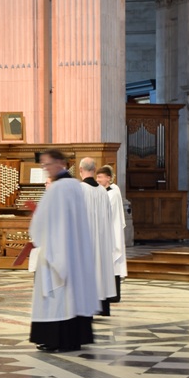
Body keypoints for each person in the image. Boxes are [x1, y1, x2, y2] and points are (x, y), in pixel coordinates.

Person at [29, 150, 99, 353]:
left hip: (56, 250)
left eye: (48, 164)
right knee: (72, 297)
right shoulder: (75, 185)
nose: (45, 169)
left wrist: (37, 233)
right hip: (73, 250)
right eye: (43, 165)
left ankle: (55, 339)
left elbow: (44, 223)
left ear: (60, 163)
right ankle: (72, 338)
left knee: (57, 298)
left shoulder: (58, 188)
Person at [78, 158, 117, 316]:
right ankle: (101, 306)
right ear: (94, 170)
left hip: (85, 240)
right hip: (101, 240)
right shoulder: (102, 191)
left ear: (80, 170)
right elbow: (108, 218)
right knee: (100, 271)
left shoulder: (79, 189)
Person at [96, 166, 127, 302]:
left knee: (113, 263)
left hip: (111, 232)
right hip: (106, 230)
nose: (98, 180)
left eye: (100, 177)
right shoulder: (107, 190)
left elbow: (107, 213)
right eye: (97, 177)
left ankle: (113, 295)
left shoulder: (113, 192)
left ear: (108, 178)